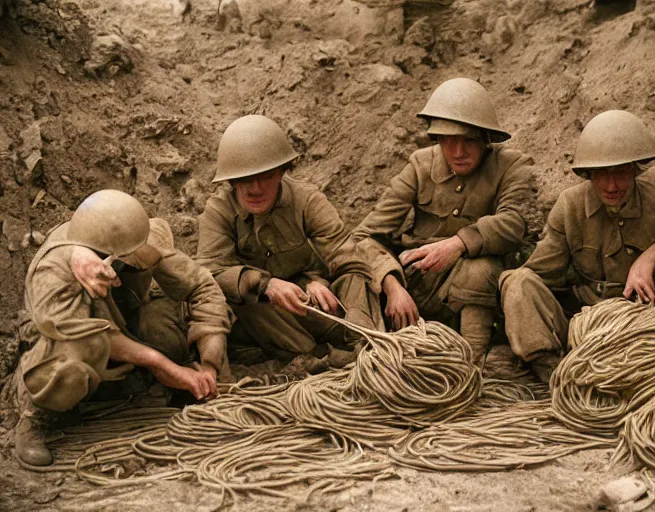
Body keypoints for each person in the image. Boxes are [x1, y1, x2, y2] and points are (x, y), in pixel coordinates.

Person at [499, 110, 655, 381]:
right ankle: (558, 375)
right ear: (587, 174)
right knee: (518, 282)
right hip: (592, 329)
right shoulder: (570, 207)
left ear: (636, 168)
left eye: (621, 172)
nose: (612, 185)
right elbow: (540, 277)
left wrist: (654, 254)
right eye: (601, 174)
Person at [13, 190, 229, 467]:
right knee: (69, 363)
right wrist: (159, 363)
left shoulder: (137, 237)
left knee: (162, 327)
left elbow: (202, 288)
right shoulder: (51, 270)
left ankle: (140, 386)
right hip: (65, 344)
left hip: (122, 330)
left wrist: (210, 363)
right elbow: (89, 337)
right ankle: (38, 415)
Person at [353, 78, 533, 362]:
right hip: (416, 286)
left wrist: (458, 244)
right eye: (448, 141)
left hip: (475, 294)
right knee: (355, 278)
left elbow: (513, 223)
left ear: (486, 138)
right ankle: (373, 357)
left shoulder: (511, 165)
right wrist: (392, 285)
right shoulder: (419, 165)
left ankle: (472, 363)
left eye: (469, 140)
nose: (458, 152)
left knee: (482, 268)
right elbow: (365, 236)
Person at [196, 115, 381, 369]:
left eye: (266, 176)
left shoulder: (306, 201)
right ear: (231, 181)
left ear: (282, 173)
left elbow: (350, 262)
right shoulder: (219, 211)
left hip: (313, 303)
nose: (255, 188)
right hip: (266, 316)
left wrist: (319, 283)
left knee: (358, 281)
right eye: (245, 179)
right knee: (243, 302)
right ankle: (316, 357)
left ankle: (364, 345)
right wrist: (263, 284)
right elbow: (207, 273)